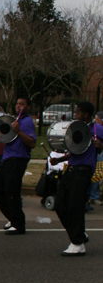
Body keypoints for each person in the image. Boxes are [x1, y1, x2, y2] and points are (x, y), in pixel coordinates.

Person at [51, 101, 103, 256]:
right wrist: (59, 160)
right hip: (71, 169)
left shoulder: (97, 128)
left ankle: (77, 244)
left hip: (83, 172)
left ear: (86, 114)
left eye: (78, 112)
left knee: (75, 207)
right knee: (60, 204)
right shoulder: (76, 128)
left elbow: (99, 147)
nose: (75, 114)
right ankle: (79, 234)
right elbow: (74, 150)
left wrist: (100, 145)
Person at [0, 97, 36, 235]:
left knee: (12, 191)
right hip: (8, 158)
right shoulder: (16, 120)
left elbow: (32, 143)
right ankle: (12, 217)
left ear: (28, 107)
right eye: (17, 103)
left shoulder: (27, 122)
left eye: (22, 104)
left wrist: (19, 131)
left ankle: (18, 224)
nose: (18, 106)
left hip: (17, 159)